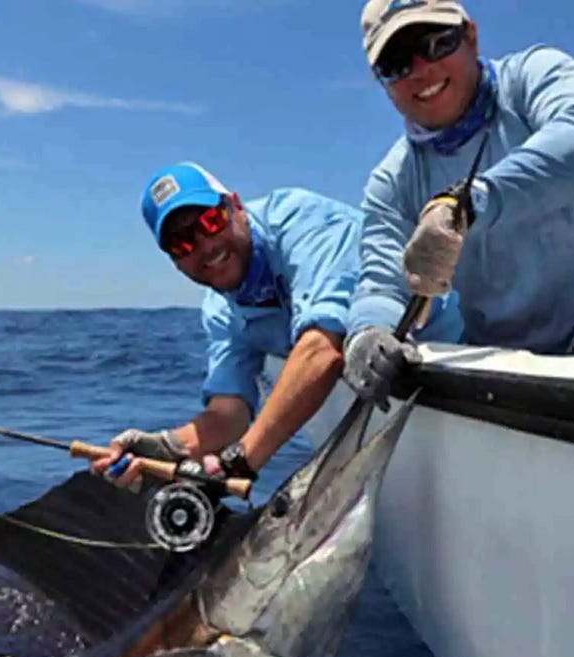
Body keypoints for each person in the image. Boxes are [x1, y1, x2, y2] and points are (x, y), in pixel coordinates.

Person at [342, 0, 574, 409]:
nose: (420, 70)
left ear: (471, 36)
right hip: (498, 352)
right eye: (396, 65)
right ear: (383, 83)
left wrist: (470, 203)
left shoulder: (534, 76)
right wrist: (367, 331)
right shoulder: (392, 181)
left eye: (436, 44)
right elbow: (382, 284)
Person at [92, 161, 458, 487]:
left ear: (236, 205)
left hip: (455, 354)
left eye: (210, 222)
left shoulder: (303, 222)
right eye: (182, 244)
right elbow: (229, 411)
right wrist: (168, 447)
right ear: (173, 260)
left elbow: (321, 350)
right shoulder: (220, 309)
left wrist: (241, 463)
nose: (205, 246)